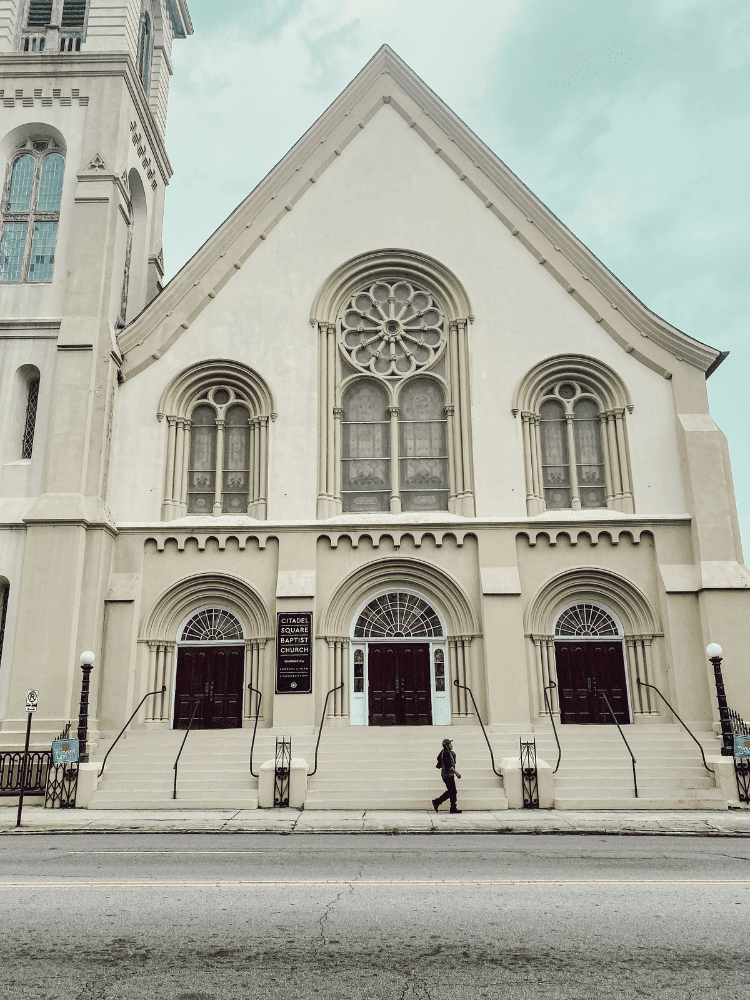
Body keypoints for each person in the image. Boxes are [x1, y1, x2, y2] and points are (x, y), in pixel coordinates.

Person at [432, 737, 462, 813]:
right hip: (448, 775)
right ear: (447, 745)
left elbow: (439, 763)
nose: (451, 745)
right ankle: (437, 802)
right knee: (452, 791)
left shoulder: (445, 752)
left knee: (452, 791)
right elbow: (449, 766)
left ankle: (452, 807)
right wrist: (457, 773)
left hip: (446, 775)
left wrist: (454, 756)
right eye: (450, 744)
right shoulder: (446, 753)